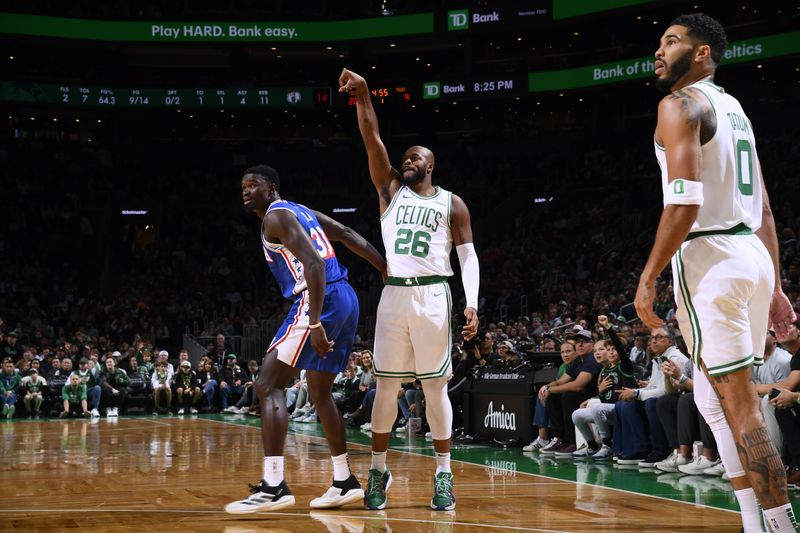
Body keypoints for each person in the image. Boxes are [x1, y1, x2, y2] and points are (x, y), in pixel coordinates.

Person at [633, 13, 798, 532]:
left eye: (672, 41)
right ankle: (755, 521)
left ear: (703, 53)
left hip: (711, 256)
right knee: (711, 395)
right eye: (660, 41)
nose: (659, 50)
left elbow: (683, 203)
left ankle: (777, 524)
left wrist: (648, 276)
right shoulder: (734, 108)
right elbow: (766, 209)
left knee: (740, 405)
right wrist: (775, 284)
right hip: (750, 253)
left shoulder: (678, 104)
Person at [340, 68, 480, 511]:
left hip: (435, 295)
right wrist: (363, 95)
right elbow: (371, 139)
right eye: (406, 157)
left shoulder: (451, 202)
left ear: (431, 164)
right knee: (385, 388)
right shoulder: (390, 192)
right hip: (394, 295)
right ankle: (378, 469)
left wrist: (472, 304)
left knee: (435, 389)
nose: (408, 160)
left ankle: (443, 475)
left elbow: (468, 256)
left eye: (416, 157)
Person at [225, 164, 386, 514]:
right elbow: (344, 232)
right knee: (319, 391)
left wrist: (313, 323)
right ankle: (343, 480)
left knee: (267, 385)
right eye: (243, 186)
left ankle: (273, 486)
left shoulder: (275, 217)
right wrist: (383, 268)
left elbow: (313, 263)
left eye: (253, 184)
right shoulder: (300, 210)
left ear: (272, 188)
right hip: (346, 297)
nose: (246, 190)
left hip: (320, 298)